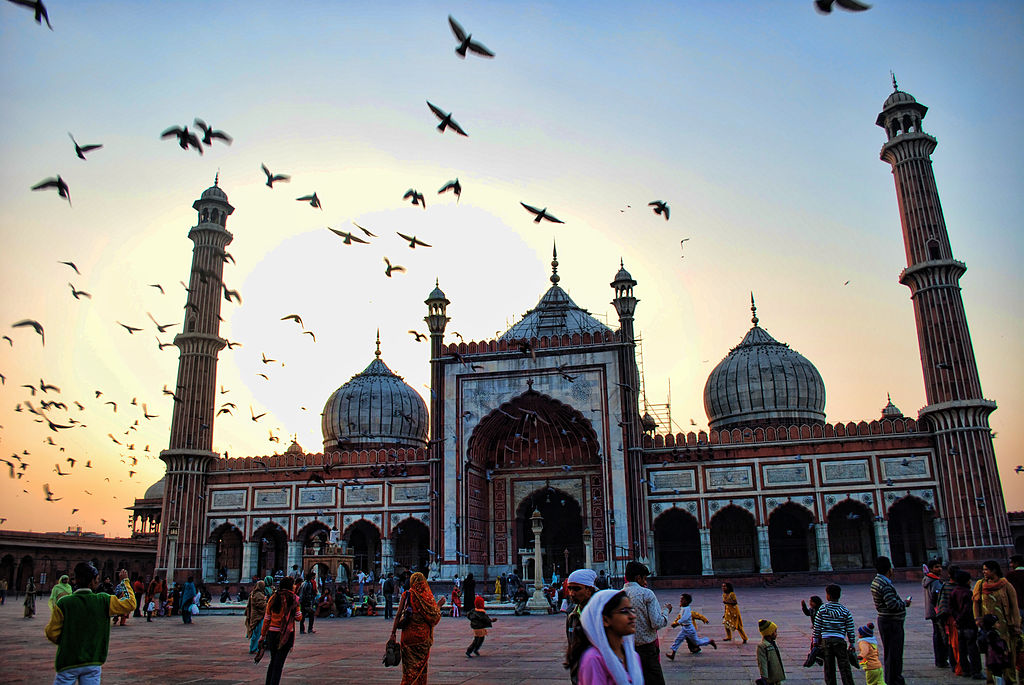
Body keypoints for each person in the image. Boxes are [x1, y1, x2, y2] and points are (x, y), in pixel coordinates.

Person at [45, 563, 136, 684]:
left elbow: (51, 633)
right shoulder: (103, 601)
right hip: (93, 660)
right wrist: (125, 581)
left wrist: (68, 641)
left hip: (68, 661)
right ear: (92, 582)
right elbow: (130, 603)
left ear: (76, 579)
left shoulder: (64, 603)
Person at [564, 589, 644, 685]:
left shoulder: (633, 656)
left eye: (632, 610)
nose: (632, 616)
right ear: (605, 620)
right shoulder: (594, 659)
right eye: (624, 611)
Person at [390, 571, 444, 685]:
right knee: (421, 668)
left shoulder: (407, 594)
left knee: (409, 668)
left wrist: (393, 633)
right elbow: (434, 617)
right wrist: (438, 606)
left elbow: (398, 615)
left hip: (408, 638)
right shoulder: (427, 598)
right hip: (422, 639)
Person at [972, 559, 1021, 685]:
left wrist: (1016, 624)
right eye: (983, 569)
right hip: (989, 627)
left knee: (1008, 653)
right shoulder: (981, 585)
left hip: (1005, 626)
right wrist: (977, 619)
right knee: (991, 654)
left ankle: (1009, 679)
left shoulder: (1005, 585)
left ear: (994, 570)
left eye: (986, 569)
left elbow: (1014, 606)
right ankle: (992, 680)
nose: (984, 572)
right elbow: (976, 603)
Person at [623, 560, 670, 685]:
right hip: (647, 649)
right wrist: (665, 612)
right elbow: (656, 623)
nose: (645, 582)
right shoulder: (646, 594)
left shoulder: (618, 595)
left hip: (626, 650)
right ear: (638, 578)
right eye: (644, 578)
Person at [871, 556, 910, 685]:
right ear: (889, 569)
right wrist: (904, 603)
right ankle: (895, 680)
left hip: (885, 620)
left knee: (890, 653)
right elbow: (892, 605)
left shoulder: (876, 581)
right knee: (895, 654)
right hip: (891, 622)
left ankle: (891, 679)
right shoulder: (885, 584)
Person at [259, 576, 301, 685]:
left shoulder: (273, 597)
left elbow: (267, 618)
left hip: (272, 633)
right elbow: (298, 617)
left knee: (273, 661)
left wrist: (262, 635)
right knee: (279, 663)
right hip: (286, 634)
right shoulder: (293, 598)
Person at [813, 583, 857, 685]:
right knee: (844, 667)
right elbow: (850, 628)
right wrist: (852, 643)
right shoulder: (845, 611)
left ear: (828, 595)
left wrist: (815, 641)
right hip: (840, 640)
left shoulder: (823, 609)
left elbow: (817, 626)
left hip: (826, 641)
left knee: (829, 668)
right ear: (839, 595)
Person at [565, 569, 599, 682]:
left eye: (576, 589)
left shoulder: (601, 613)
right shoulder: (572, 615)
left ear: (590, 590)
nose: (571, 593)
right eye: (569, 588)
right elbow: (571, 643)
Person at [950, 570, 983, 679]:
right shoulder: (967, 593)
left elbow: (951, 608)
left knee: (962, 649)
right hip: (968, 623)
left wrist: (956, 619)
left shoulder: (954, 591)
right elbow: (967, 609)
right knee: (972, 648)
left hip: (959, 626)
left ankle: (966, 670)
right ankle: (976, 671)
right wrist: (960, 619)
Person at [666, 593, 715, 659]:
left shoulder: (687, 609)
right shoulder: (683, 608)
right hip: (684, 628)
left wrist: (677, 623)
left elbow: (684, 618)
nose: (681, 601)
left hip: (689, 629)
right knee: (678, 640)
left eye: (682, 599)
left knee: (696, 642)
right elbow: (680, 617)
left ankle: (709, 641)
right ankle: (673, 654)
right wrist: (676, 623)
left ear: (687, 601)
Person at [922, 558, 949, 669]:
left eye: (940, 566)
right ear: (931, 569)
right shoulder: (935, 581)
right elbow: (937, 597)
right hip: (937, 612)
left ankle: (940, 660)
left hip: (932, 611)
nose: (939, 569)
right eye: (936, 567)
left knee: (937, 635)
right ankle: (942, 660)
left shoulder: (927, 580)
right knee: (941, 636)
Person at [757, 619, 786, 685]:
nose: (776, 634)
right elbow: (762, 662)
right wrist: (764, 677)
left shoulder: (772, 644)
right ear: (769, 633)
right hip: (770, 678)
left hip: (776, 677)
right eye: (775, 632)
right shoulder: (762, 646)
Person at [245, 579, 268, 654]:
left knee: (256, 632)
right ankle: (254, 648)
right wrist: (267, 603)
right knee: (257, 633)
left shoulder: (254, 593)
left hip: (255, 615)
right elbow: (260, 605)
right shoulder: (258, 594)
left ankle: (254, 647)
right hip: (258, 616)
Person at [801, 595, 825, 667]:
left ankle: (815, 656)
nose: (810, 603)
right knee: (815, 643)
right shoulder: (812, 609)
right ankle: (815, 656)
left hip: (821, 629)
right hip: (816, 628)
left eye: (811, 602)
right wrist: (804, 606)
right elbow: (807, 613)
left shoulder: (821, 610)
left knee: (817, 643)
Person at [1007, 555, 1024, 619]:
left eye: (1012, 563)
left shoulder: (1011, 575)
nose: (1011, 565)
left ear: (1016, 563)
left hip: (1018, 605)